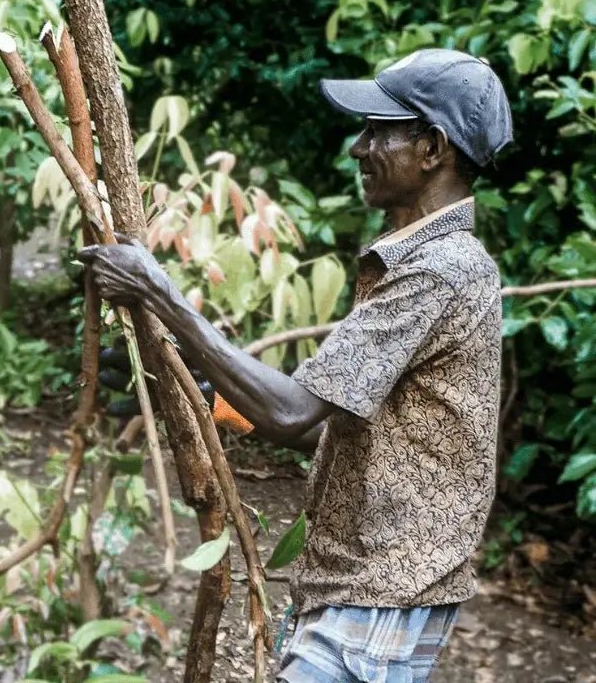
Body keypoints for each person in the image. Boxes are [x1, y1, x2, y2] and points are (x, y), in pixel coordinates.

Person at [79, 48, 512, 682]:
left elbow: (292, 413)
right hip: (366, 587)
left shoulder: (439, 269)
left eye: (377, 131)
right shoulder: (420, 260)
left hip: (382, 593)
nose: (357, 148)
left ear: (432, 148)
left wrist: (157, 292)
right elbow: (359, 429)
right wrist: (216, 398)